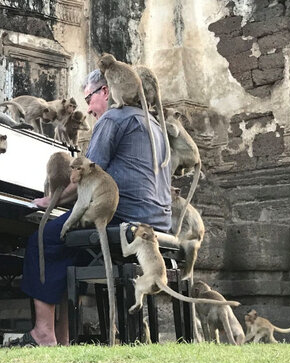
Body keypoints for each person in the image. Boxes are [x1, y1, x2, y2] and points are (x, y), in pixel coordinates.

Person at [13, 69, 172, 347]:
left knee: (43, 238)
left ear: (106, 92)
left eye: (89, 97)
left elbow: (86, 176)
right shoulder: (155, 126)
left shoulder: (113, 118)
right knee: (66, 245)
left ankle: (43, 333)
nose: (87, 108)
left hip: (125, 218)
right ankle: (61, 336)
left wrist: (49, 201)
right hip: (158, 221)